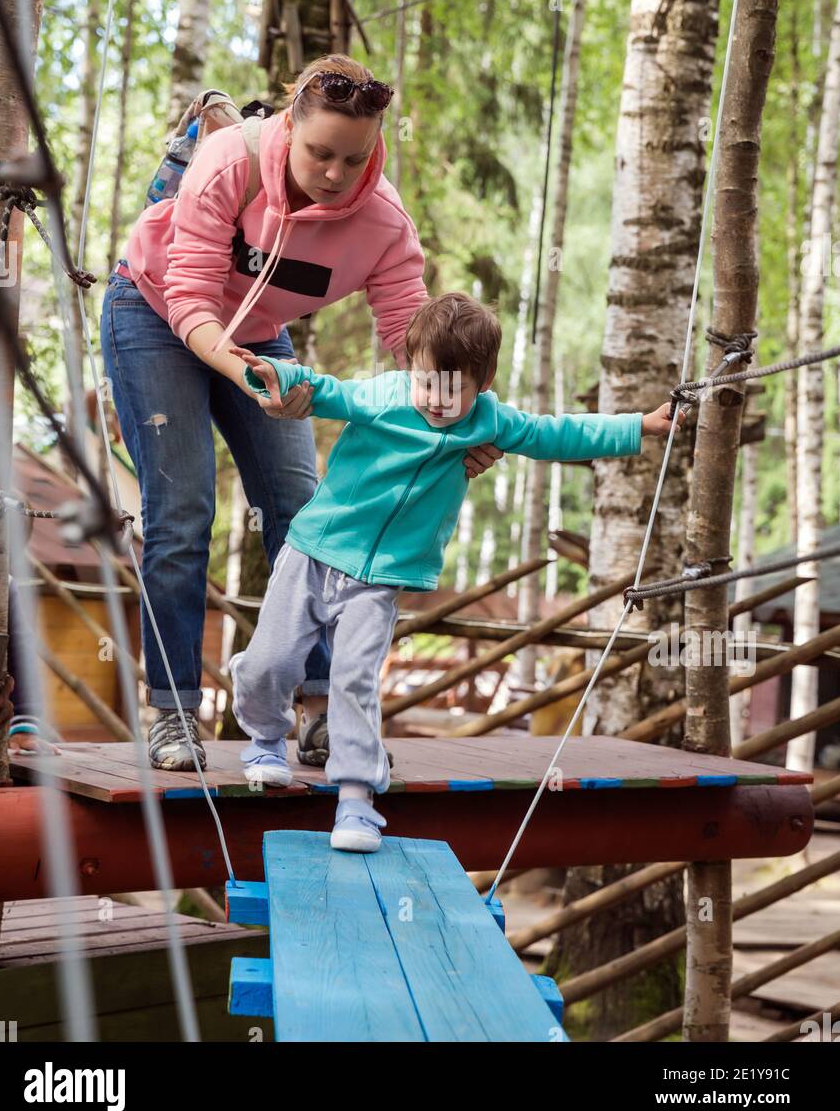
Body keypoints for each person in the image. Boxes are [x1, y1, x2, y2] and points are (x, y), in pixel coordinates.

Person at [100, 55, 503, 771]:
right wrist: (252, 374)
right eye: (320, 152)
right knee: (184, 509)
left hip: (259, 339)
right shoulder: (231, 162)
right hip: (156, 313)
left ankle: (320, 710)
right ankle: (172, 712)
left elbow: (417, 344)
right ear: (290, 125)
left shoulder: (382, 224)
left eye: (356, 157)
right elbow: (191, 297)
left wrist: (466, 422)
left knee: (305, 508)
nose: (336, 173)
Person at [228, 291, 688, 852]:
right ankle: (266, 739)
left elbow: (558, 432)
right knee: (271, 663)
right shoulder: (384, 396)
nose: (437, 400)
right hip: (313, 551)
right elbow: (322, 389)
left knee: (354, 679)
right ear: (409, 368)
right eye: (426, 383)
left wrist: (639, 425)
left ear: (484, 381)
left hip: (380, 579)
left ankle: (355, 800)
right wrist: (272, 372)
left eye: (455, 388)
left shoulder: (489, 423)